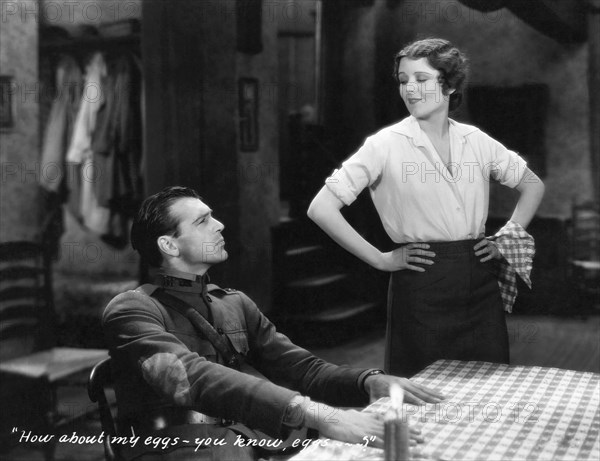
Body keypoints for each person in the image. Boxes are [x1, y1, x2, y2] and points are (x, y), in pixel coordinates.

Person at [102, 186, 444, 460]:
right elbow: (190, 377)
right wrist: (315, 414)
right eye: (203, 221)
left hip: (241, 444)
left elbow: (303, 370)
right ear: (168, 244)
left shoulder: (233, 302)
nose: (219, 225)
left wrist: (368, 382)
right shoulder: (131, 310)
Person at [307, 38, 545, 378]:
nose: (410, 90)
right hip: (421, 282)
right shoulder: (383, 145)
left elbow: (532, 185)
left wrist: (505, 239)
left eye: (421, 79)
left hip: (479, 277)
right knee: (421, 392)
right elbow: (321, 208)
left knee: (488, 388)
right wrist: (381, 259)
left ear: (448, 84)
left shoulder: (476, 140)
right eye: (404, 82)